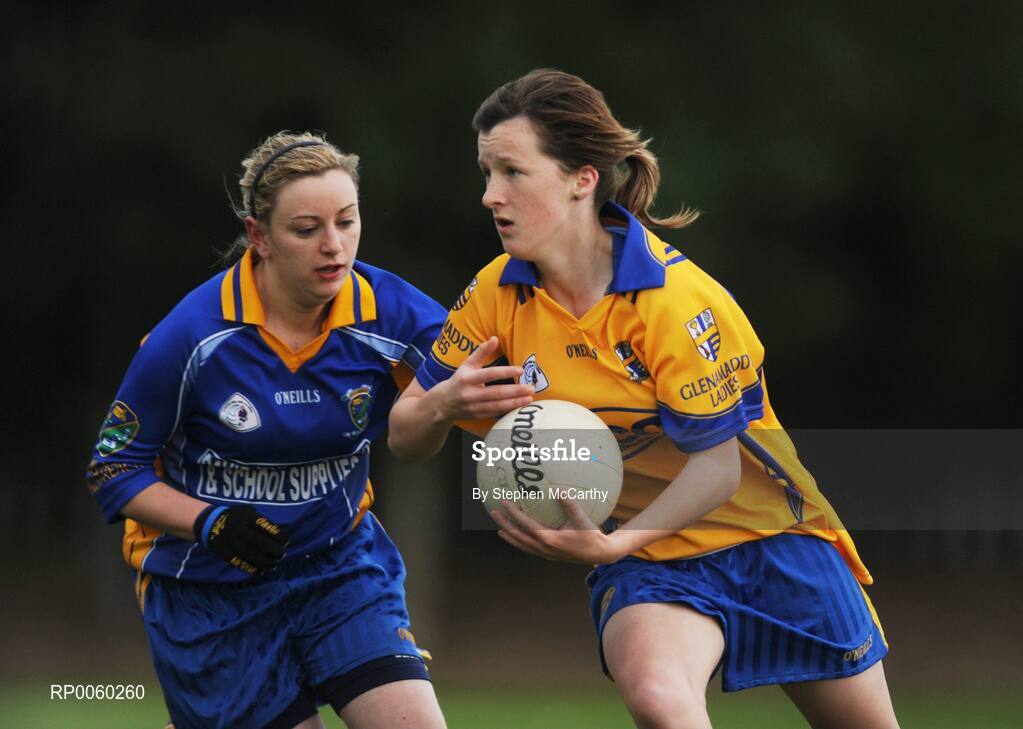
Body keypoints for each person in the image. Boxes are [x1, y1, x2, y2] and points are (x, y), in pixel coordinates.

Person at [388, 70, 900, 729]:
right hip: (652, 558)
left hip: (775, 537)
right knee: (660, 701)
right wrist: (443, 403)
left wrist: (609, 543)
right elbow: (404, 437)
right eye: (486, 173)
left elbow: (718, 468)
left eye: (512, 172)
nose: (490, 196)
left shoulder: (675, 303)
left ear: (581, 178)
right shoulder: (496, 294)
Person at [86, 131, 448, 729]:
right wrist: (210, 522)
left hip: (340, 567)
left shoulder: (395, 314)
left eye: (347, 222)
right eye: (306, 230)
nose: (334, 246)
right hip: (208, 595)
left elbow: (489, 367)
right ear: (260, 238)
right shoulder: (190, 337)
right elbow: (111, 470)